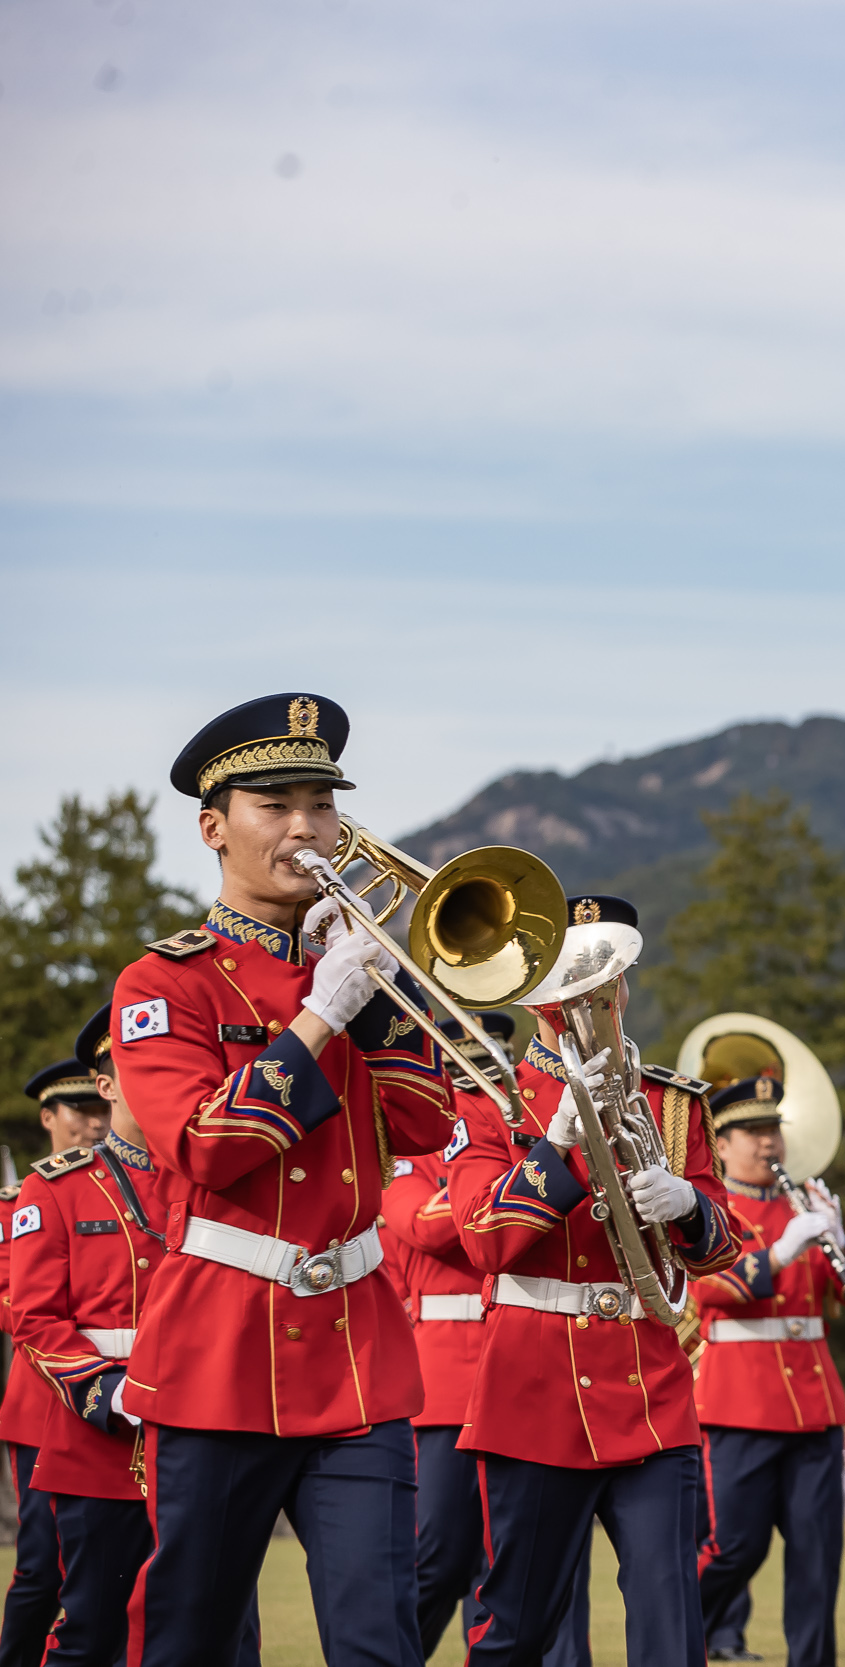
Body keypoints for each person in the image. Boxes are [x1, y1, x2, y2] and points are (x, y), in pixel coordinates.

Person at [111, 692, 453, 1666]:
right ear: (214, 827)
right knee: (193, 1633)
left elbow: (425, 1120)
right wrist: (320, 1012)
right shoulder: (161, 983)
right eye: (275, 802)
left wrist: (380, 988)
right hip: (220, 1344)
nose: (305, 826)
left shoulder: (360, 971)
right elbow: (210, 1146)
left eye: (320, 802)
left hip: (358, 1345)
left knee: (379, 1636)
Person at [447, 893, 743, 1665]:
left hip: (648, 1381)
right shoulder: (490, 1096)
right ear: (536, 990)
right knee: (517, 1622)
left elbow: (720, 1251)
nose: (587, 995)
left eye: (603, 976)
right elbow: (484, 1241)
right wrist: (552, 1148)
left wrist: (687, 1205)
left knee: (669, 1618)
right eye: (567, 978)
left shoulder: (673, 1104)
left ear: (624, 985)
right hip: (532, 1381)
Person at [378, 1007, 594, 1662]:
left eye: (494, 1063)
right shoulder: (412, 1158)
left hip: (534, 1361)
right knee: (440, 1557)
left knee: (549, 1562)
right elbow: (434, 1227)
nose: (485, 1079)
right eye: (467, 1064)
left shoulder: (523, 1139)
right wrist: (531, 1177)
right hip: (448, 1384)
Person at [7, 1005, 166, 1663]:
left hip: (198, 1422)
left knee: (217, 1622)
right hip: (92, 1418)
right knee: (82, 1609)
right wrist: (110, 1391)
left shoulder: (204, 1179)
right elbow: (32, 1313)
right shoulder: (52, 1188)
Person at [693, 1073, 845, 1667]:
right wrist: (782, 1251)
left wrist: (837, 1237)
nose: (768, 1144)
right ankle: (675, 1627)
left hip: (813, 1398)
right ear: (722, 1142)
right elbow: (707, 1289)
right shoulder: (708, 1208)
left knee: (818, 1556)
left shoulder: (804, 1202)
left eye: (772, 1130)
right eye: (751, 1131)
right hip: (740, 1397)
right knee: (735, 1546)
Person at [0, 1057, 107, 1667]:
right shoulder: (23, 1199)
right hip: (47, 1401)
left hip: (124, 1392)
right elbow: (13, 1300)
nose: (95, 1124)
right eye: (80, 1113)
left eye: (100, 1109)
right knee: (44, 1564)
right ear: (48, 1117)